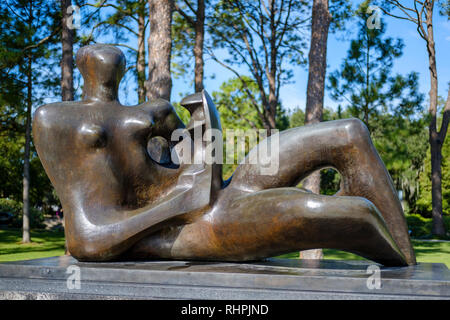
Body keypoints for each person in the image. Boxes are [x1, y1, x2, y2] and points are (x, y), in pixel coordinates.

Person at [32, 44, 415, 266]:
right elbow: (87, 241)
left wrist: (203, 135)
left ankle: (409, 269)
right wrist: (180, 204)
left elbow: (192, 157)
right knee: (350, 214)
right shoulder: (56, 119)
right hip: (187, 227)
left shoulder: (153, 110)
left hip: (216, 194)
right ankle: (404, 276)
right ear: (81, 65)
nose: (107, 57)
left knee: (349, 134)